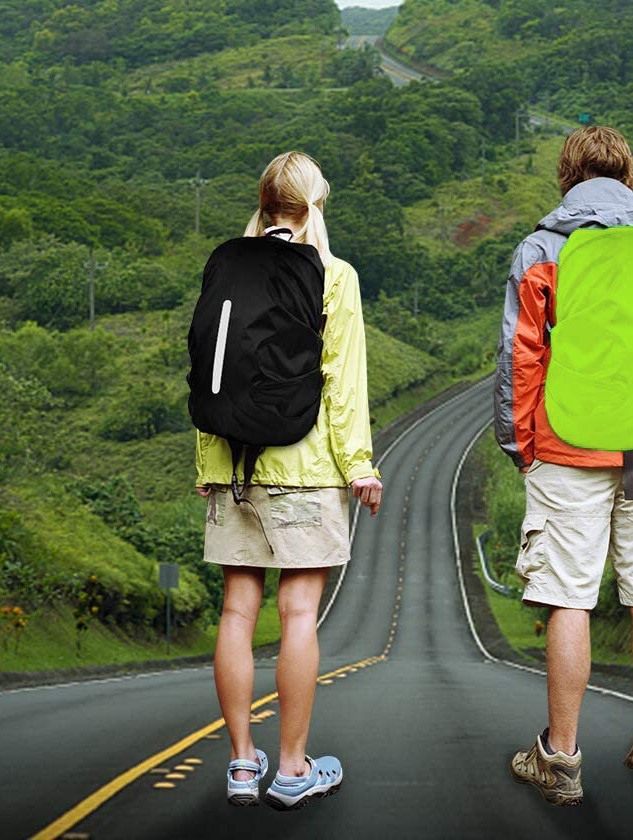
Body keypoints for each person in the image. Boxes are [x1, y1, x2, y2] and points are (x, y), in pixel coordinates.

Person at [493, 126, 633, 807]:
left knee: (568, 598)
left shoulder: (545, 247)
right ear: (628, 177)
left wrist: (519, 444)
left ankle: (561, 759)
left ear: (567, 178)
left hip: (566, 448)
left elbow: (519, 357)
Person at [193, 150, 383, 810]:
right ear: (315, 206)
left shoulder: (226, 266)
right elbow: (342, 386)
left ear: (265, 204)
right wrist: (359, 468)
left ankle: (242, 764)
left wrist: (207, 466)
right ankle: (294, 768)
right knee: (298, 614)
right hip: (303, 471)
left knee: (236, 613)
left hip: (231, 468)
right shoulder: (332, 275)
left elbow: (209, 365)